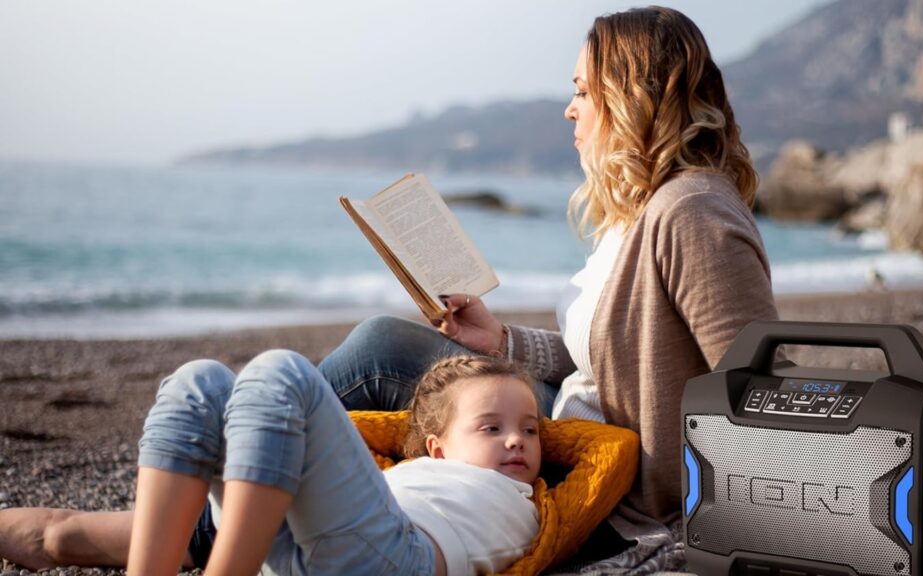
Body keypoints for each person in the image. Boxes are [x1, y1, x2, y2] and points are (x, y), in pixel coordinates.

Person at [0, 5, 777, 571]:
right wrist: (502, 344)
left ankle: (163, 530)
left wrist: (695, 533)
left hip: (601, 474)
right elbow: (609, 360)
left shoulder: (692, 210)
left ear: (635, 95)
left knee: (376, 350)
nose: (570, 107)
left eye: (585, 89)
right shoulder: (642, 214)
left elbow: (757, 392)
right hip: (568, 430)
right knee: (388, 350)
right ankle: (188, 518)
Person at [127, 352, 541, 576]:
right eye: (491, 428)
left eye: (530, 430)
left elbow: (600, 448)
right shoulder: (413, 470)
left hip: (399, 556)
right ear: (438, 449)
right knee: (201, 381)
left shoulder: (521, 498)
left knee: (284, 372)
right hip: (308, 550)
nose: (515, 440)